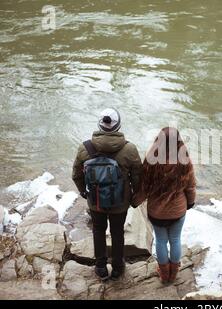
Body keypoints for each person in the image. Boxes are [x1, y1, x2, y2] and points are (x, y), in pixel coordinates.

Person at [72, 108, 142, 280]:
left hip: (95, 201)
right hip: (120, 203)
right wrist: (133, 197)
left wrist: (84, 192)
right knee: (118, 232)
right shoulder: (130, 149)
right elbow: (138, 177)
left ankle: (101, 267)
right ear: (118, 127)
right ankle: (118, 267)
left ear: (99, 126)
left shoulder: (85, 147)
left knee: (98, 230)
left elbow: (76, 175)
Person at [133, 127, 196, 284]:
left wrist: (134, 201)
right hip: (178, 211)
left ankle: (164, 274)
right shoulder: (184, 159)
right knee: (175, 239)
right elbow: (190, 186)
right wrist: (190, 202)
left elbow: (144, 187)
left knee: (161, 241)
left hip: (156, 212)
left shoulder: (151, 159)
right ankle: (173, 274)